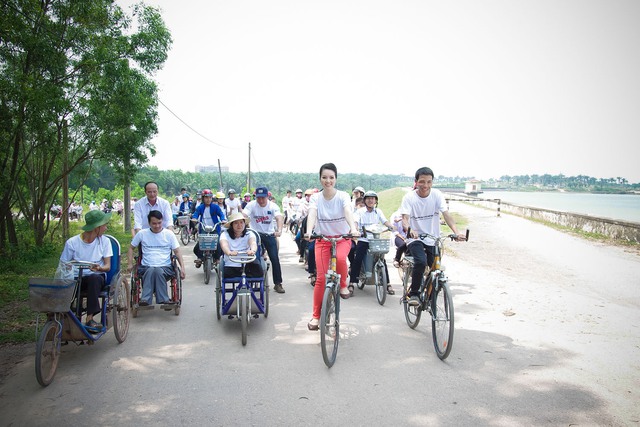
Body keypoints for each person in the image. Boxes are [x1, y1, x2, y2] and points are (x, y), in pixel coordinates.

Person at [400, 167, 466, 306]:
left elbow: (446, 215)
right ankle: (414, 294)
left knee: (435, 267)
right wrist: (410, 230)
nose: (426, 186)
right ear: (416, 182)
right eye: (422, 182)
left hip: (433, 238)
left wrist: (456, 231)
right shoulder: (409, 198)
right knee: (421, 262)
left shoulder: (437, 195)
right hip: (415, 238)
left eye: (429, 182)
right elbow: (405, 219)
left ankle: (430, 295)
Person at [304, 163, 359, 330]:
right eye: (324, 177)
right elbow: (312, 213)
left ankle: (343, 284)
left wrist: (353, 228)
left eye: (331, 177)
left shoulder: (342, 196)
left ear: (336, 179)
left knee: (341, 258)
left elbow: (348, 211)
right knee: (321, 279)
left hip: (342, 238)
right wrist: (308, 231)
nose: (328, 181)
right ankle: (315, 316)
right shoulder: (315, 198)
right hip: (322, 240)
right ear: (320, 179)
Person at [59, 210, 113, 332]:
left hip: (96, 277)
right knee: (67, 283)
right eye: (104, 225)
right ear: (96, 228)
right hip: (76, 277)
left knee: (94, 278)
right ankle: (65, 318)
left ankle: (90, 318)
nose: (106, 228)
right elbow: (64, 264)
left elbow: (107, 266)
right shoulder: (72, 243)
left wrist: (98, 268)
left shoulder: (105, 241)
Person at [128, 210, 185, 306]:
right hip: (146, 266)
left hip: (165, 267)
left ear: (162, 221)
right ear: (149, 223)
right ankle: (145, 299)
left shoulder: (169, 234)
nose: (157, 226)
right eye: (154, 223)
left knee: (157, 270)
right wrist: (129, 263)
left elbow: (177, 251)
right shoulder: (142, 234)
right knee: (151, 270)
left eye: (159, 223)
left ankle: (163, 299)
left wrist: (182, 267)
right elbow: (130, 248)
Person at [348, 191, 395, 295]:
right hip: (364, 239)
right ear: (364, 200)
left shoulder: (378, 211)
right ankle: (352, 283)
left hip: (375, 239)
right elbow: (355, 221)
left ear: (376, 201)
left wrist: (391, 226)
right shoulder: (360, 212)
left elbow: (384, 221)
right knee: (358, 259)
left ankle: (387, 284)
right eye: (368, 198)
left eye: (373, 199)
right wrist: (355, 230)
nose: (370, 200)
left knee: (382, 259)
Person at [242, 186, 285, 293]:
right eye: (258, 198)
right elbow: (244, 214)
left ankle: (278, 283)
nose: (260, 200)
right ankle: (252, 279)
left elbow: (279, 217)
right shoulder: (251, 205)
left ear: (267, 197)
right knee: (252, 256)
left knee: (274, 258)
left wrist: (279, 230)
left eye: (263, 198)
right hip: (254, 234)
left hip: (269, 234)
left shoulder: (272, 206)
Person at [219, 212, 264, 279]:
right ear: (232, 225)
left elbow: (253, 243)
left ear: (244, 224)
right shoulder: (225, 235)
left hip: (248, 263)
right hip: (231, 263)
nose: (239, 225)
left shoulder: (249, 234)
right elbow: (224, 245)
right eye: (236, 223)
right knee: (227, 274)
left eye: (241, 222)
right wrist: (229, 252)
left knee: (259, 272)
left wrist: (252, 250)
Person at [191, 189, 226, 268]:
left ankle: (217, 258)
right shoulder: (200, 207)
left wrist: (223, 219)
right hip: (204, 228)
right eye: (206, 197)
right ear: (203, 198)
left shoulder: (215, 207)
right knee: (199, 244)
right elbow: (196, 214)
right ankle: (200, 257)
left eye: (210, 197)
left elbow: (221, 214)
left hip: (214, 228)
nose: (208, 199)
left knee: (218, 242)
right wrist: (194, 219)